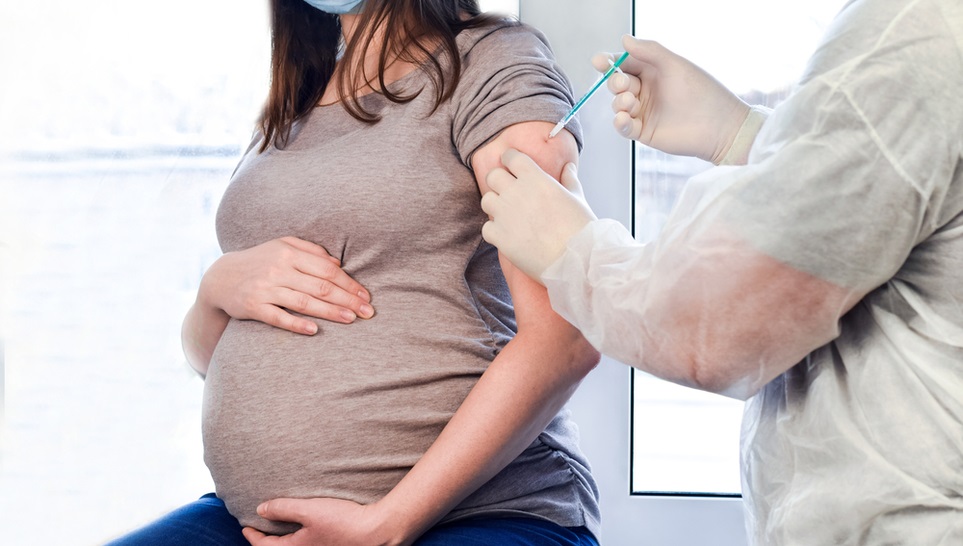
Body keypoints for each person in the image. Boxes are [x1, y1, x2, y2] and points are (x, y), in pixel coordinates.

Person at [105, 1, 602, 545]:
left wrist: (385, 525)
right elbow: (213, 358)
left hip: (477, 514)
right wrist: (215, 292)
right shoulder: (302, 92)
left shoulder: (495, 62)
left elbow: (567, 336)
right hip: (250, 519)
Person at [480, 0, 963, 544]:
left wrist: (576, 255)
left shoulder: (917, 31)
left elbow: (716, 324)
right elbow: (880, 197)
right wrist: (744, 136)